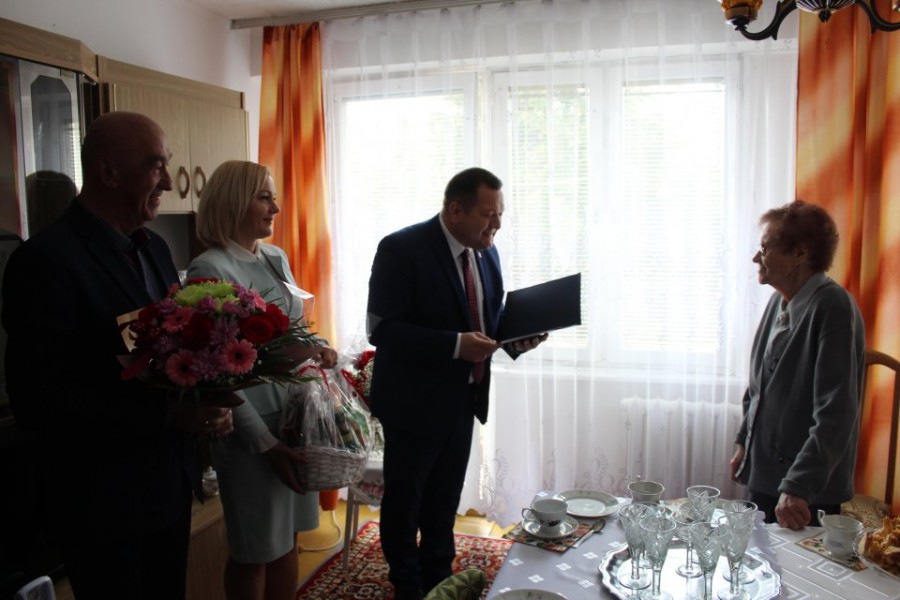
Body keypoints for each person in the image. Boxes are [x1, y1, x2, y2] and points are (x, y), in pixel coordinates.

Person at [2, 111, 235, 599]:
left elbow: (169, 352)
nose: (168, 181)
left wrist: (206, 401)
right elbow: (40, 400)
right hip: (102, 503)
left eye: (168, 165)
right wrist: (171, 416)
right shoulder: (45, 261)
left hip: (167, 486)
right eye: (155, 166)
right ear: (108, 172)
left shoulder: (153, 250)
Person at [367, 167, 547, 599]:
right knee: (405, 504)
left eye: (500, 213)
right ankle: (408, 587)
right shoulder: (401, 249)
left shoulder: (487, 253)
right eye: (488, 214)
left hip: (463, 400)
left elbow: (486, 322)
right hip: (412, 404)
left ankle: (439, 581)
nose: (497, 224)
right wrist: (454, 345)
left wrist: (516, 339)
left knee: (444, 501)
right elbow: (383, 329)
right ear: (455, 211)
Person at [188, 159, 339, 600]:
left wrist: (320, 346)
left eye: (273, 197)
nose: (275, 208)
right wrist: (264, 442)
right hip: (250, 429)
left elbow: (295, 328)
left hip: (292, 420)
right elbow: (215, 372)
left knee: (288, 537)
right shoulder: (210, 268)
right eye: (264, 197)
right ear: (234, 201)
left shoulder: (275, 258)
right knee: (254, 549)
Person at [729, 200, 865, 530]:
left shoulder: (833, 307)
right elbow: (759, 386)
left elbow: (836, 412)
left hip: (805, 492)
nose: (756, 257)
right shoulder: (779, 301)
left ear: (800, 254)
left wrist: (799, 485)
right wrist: (744, 440)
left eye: (765, 248)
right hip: (768, 477)